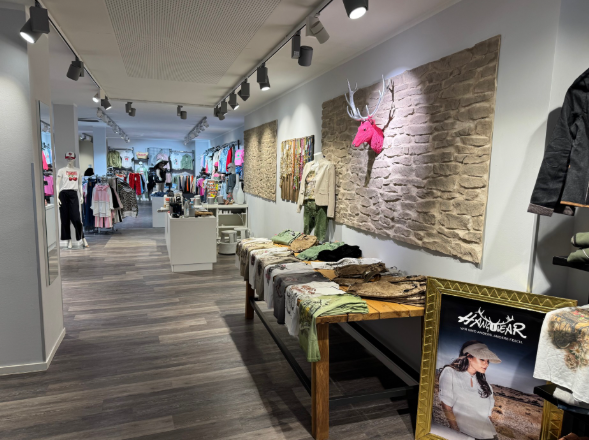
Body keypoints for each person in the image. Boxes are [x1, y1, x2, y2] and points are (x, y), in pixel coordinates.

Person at [439, 340, 501, 440]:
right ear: (469, 357)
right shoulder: (450, 373)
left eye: (488, 361)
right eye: (482, 359)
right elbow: (446, 406)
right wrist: (455, 431)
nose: (486, 364)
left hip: (489, 436)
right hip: (465, 434)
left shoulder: (487, 386)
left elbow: (488, 415)